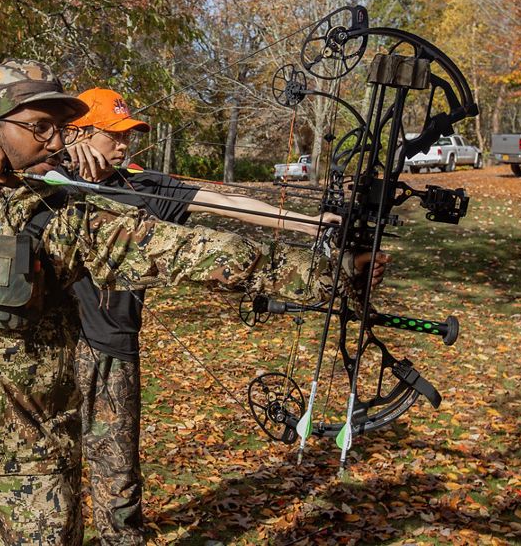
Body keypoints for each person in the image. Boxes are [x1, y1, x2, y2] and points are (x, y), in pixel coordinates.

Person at [0, 59, 386, 546]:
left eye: (61, 129)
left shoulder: (74, 216)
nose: (56, 141)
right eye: (39, 127)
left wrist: (334, 275)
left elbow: (194, 252)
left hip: (37, 469)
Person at [63, 87, 342, 545]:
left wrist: (310, 225)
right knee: (51, 473)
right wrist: (58, 156)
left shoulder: (143, 186)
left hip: (111, 348)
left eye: (128, 135)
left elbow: (226, 202)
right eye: (113, 135)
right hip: (49, 348)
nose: (124, 145)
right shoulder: (41, 175)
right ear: (79, 132)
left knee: (117, 476)